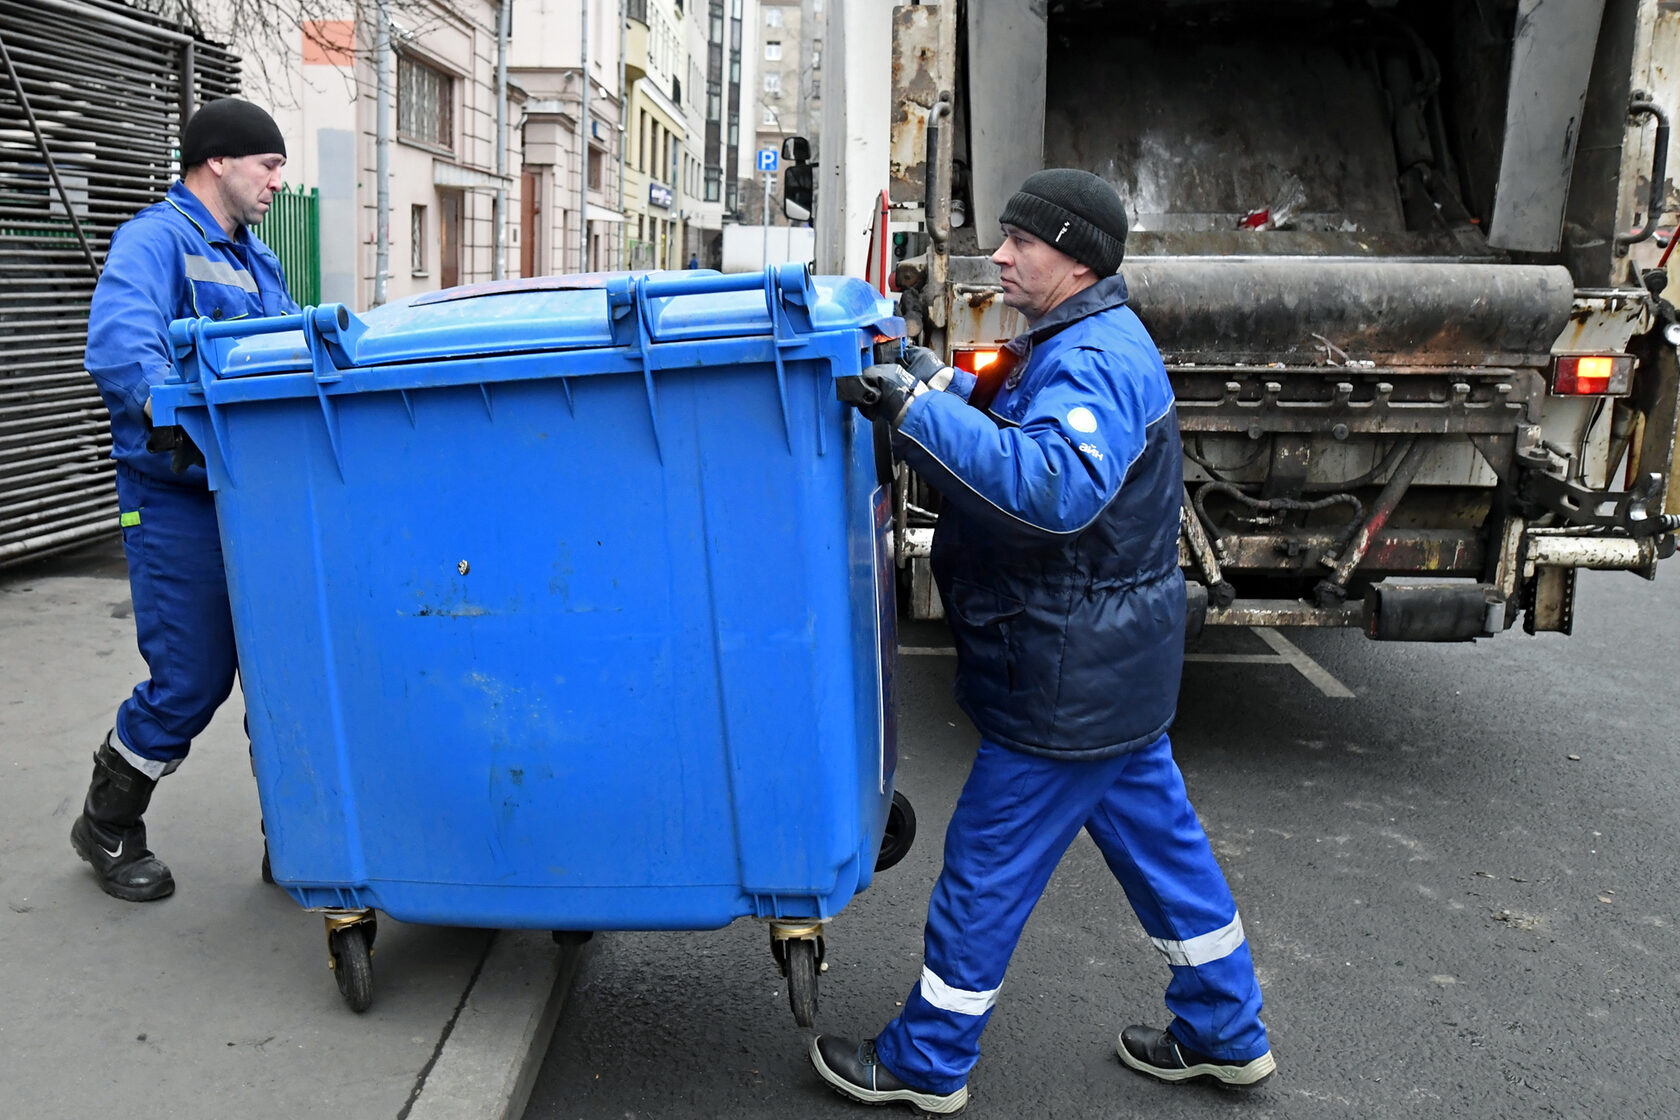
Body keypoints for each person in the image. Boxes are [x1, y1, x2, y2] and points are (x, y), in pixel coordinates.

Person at [812, 169, 1273, 1113]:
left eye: (1024, 241)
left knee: (987, 865)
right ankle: (1228, 1029)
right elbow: (1031, 436)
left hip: (1067, 678)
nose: (1003, 254)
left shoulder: (1095, 359)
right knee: (1167, 854)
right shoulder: (1079, 338)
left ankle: (928, 1060)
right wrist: (936, 384)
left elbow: (1056, 490)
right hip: (1112, 668)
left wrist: (914, 412)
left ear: (1076, 258)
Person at [73, 98, 297, 902]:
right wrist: (178, 424)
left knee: (285, 669)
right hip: (174, 500)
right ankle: (106, 823)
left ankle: (302, 836)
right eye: (268, 165)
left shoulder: (256, 259)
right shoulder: (154, 240)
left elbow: (285, 356)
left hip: (255, 494)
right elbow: (120, 347)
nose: (278, 179)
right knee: (192, 679)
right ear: (218, 162)